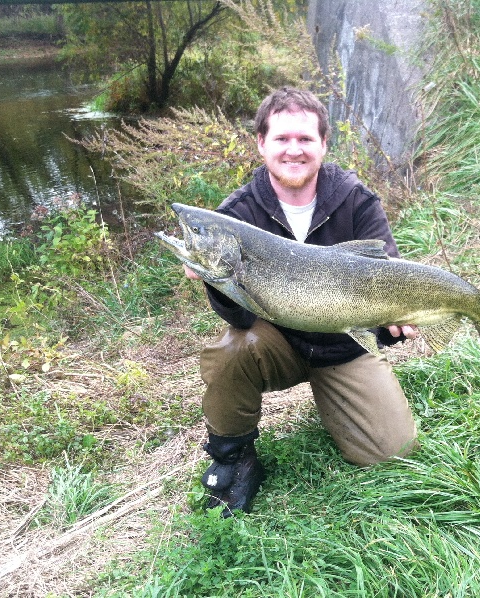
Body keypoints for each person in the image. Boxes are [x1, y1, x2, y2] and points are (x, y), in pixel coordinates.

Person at [184, 87, 418, 517]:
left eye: (306, 139)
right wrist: (216, 281)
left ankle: (343, 400)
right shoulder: (235, 216)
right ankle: (233, 456)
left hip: (344, 348)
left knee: (393, 451)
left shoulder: (356, 200)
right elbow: (238, 316)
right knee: (231, 348)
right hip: (281, 343)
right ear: (261, 143)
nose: (294, 150)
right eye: (282, 139)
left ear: (324, 144)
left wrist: (396, 322)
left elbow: (388, 275)